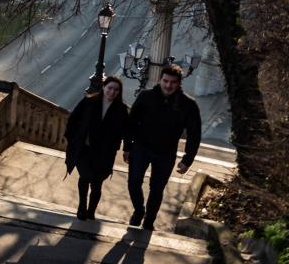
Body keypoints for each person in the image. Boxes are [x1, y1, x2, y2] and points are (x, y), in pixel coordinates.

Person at [124, 64, 202, 230]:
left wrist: (187, 159)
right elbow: (131, 122)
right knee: (133, 182)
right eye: (165, 81)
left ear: (179, 83)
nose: (168, 85)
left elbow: (194, 134)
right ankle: (139, 210)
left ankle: (149, 222)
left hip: (166, 153)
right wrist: (127, 147)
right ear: (160, 80)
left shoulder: (188, 105)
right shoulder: (146, 96)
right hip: (141, 147)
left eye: (173, 82)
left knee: (157, 189)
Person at [65, 75, 129, 221]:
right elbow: (73, 119)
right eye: (110, 88)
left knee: (97, 182)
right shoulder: (89, 101)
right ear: (103, 87)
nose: (112, 92)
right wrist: (71, 139)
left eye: (116, 90)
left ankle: (91, 210)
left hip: (105, 153)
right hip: (85, 149)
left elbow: (126, 131)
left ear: (119, 92)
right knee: (85, 176)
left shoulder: (121, 110)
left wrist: (126, 148)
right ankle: (82, 206)